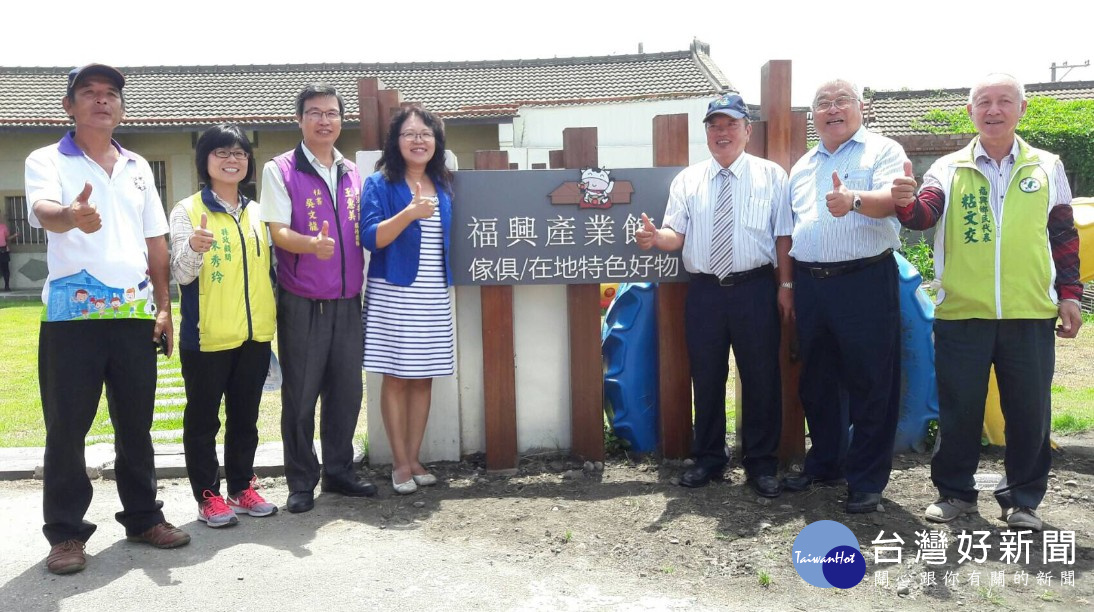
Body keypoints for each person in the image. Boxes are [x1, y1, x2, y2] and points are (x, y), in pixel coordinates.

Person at [892, 74, 1082, 531]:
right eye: (983, 102)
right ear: (971, 111)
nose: (993, 110)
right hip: (963, 312)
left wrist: (1070, 296)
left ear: (1022, 109)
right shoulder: (947, 167)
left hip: (1030, 311)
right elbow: (925, 214)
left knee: (1029, 411)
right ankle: (955, 494)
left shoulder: (1046, 166)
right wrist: (904, 201)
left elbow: (1063, 234)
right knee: (960, 408)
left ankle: (1022, 501)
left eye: (1003, 102)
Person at [24, 64, 190, 575]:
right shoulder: (47, 158)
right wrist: (71, 216)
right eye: (89, 93)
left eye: (110, 94)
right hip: (71, 317)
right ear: (68, 106)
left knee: (136, 424)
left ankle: (143, 517)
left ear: (121, 106)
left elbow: (155, 241)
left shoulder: (139, 165)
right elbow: (44, 209)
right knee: (67, 428)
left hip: (135, 312)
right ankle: (67, 535)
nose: (102, 101)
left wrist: (164, 305)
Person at [635, 93, 793, 498]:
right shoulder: (688, 180)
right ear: (706, 133)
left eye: (729, 125)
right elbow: (676, 234)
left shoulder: (771, 176)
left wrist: (786, 286)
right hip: (704, 290)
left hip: (755, 288)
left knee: (760, 377)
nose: (722, 133)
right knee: (706, 376)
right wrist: (656, 239)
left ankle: (761, 464)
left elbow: (783, 237)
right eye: (714, 126)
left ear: (746, 130)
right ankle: (708, 458)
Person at [783, 79, 909, 514]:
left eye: (841, 102)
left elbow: (895, 201)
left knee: (872, 382)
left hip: (865, 280)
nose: (832, 109)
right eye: (823, 103)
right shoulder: (801, 166)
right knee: (817, 380)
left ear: (861, 107)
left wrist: (853, 200)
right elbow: (793, 228)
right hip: (812, 283)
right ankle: (826, 463)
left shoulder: (882, 150)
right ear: (812, 115)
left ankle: (867, 480)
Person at [260, 83, 376, 513]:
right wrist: (310, 245)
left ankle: (340, 472)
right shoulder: (281, 169)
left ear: (341, 120)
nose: (324, 120)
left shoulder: (351, 172)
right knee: (302, 395)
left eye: (331, 113)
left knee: (346, 392)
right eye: (314, 112)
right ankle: (301, 480)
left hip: (348, 299)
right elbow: (277, 231)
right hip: (303, 301)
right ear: (300, 119)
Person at [171, 124, 278, 528]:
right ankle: (207, 496)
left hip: (254, 335)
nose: (232, 160)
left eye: (240, 153)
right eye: (222, 153)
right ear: (205, 161)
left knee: (245, 418)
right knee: (202, 421)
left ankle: (241, 488)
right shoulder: (187, 210)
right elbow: (181, 274)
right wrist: (196, 250)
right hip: (208, 336)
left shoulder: (258, 213)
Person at [361, 106, 454, 495]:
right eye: (410, 134)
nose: (419, 140)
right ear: (395, 142)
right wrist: (409, 214)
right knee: (397, 377)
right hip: (394, 291)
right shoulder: (379, 184)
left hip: (433, 292)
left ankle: (415, 458)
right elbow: (370, 237)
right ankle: (399, 463)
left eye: (426, 134)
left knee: (423, 377)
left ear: (436, 142)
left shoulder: (444, 183)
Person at [0, 221, 18, 291]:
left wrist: (14, 235)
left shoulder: (3, 227)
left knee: (5, 269)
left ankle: (7, 285)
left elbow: (7, 238)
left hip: (3, 249)